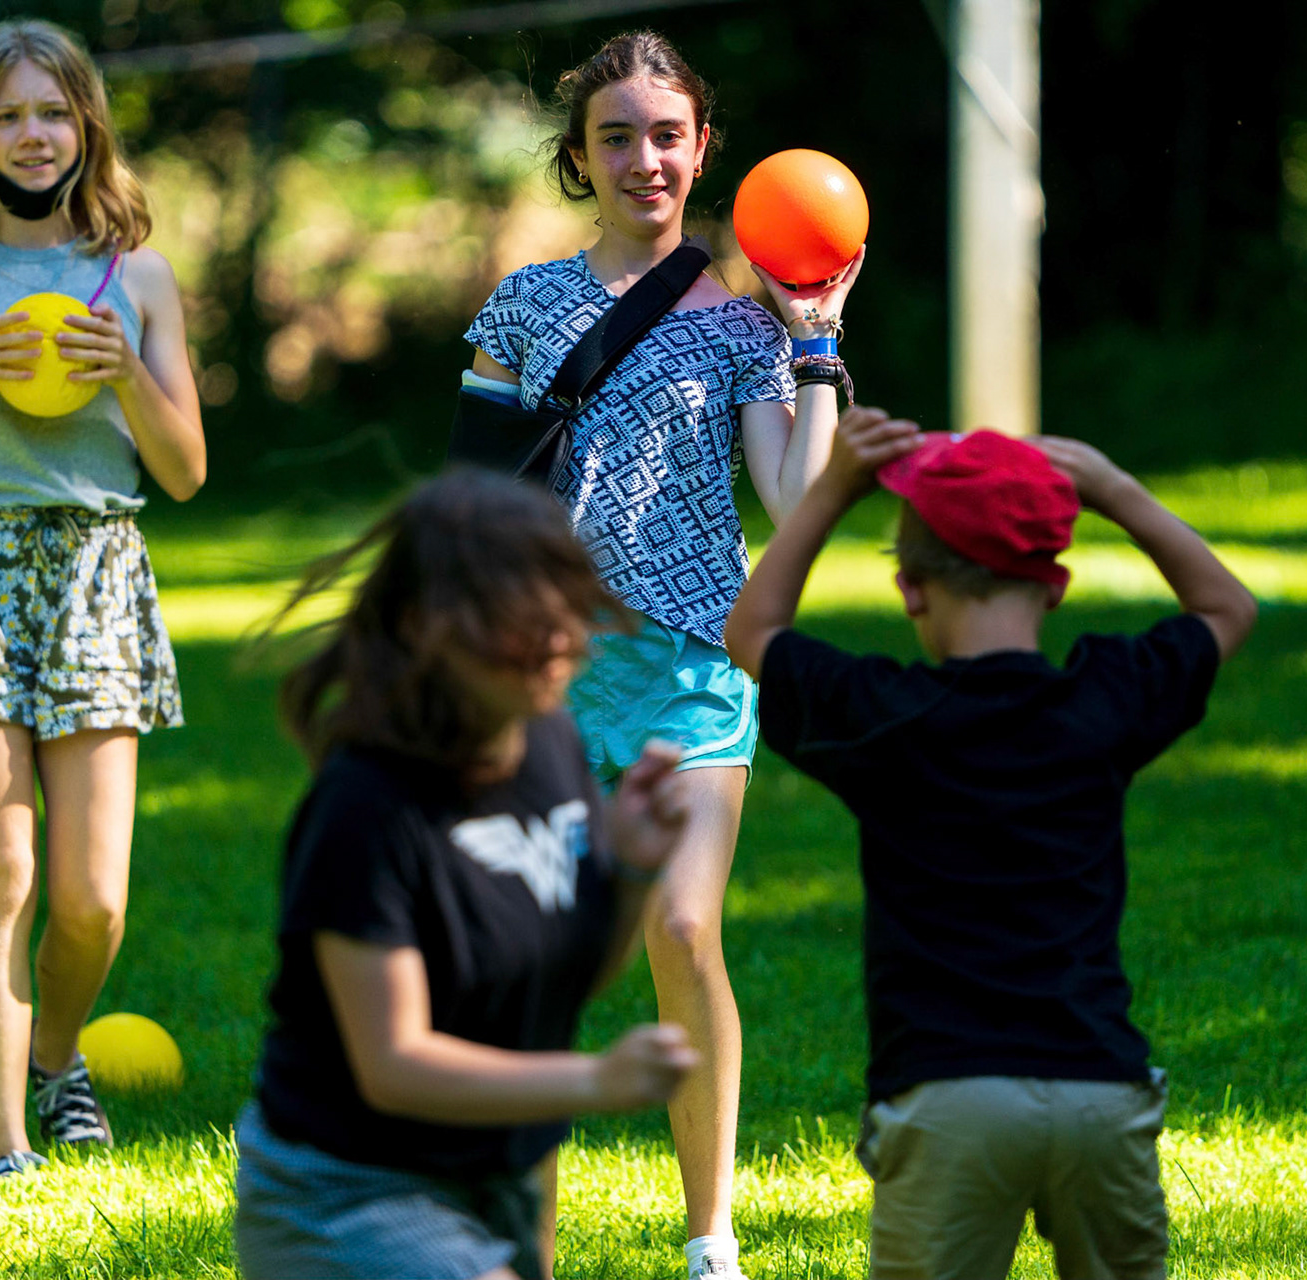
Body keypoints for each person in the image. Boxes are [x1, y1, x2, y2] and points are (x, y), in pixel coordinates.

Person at [462, 31, 862, 1278]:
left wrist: (815, 342)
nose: (645, 158)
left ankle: (711, 1237)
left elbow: (796, 502)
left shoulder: (750, 329)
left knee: (683, 933)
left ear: (703, 152)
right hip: (552, 667)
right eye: (617, 136)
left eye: (667, 134)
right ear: (579, 158)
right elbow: (471, 496)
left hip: (697, 664)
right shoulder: (526, 305)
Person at [723, 409, 1258, 1279]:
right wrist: (1113, 489)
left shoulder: (886, 717)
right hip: (1097, 1086)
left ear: (909, 589)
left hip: (946, 1096)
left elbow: (753, 633)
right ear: (1053, 586)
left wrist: (830, 492)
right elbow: (1226, 606)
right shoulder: (1103, 701)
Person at [0, 19, 205, 1180]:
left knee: (92, 900)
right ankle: (8, 1141)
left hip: (99, 576)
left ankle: (57, 1053)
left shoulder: (139, 277)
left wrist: (128, 375)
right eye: (8, 114)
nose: (31, 134)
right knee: (1, 870)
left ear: (86, 128)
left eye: (52, 112)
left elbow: (187, 469)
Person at [234, 470, 698, 1280]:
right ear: (425, 627)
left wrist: (627, 870)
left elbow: (566, 977)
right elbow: (394, 1062)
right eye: (516, 612)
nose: (557, 636)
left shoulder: (549, 744)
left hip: (502, 1174)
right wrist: (597, 1079)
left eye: (562, 599)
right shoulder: (366, 807)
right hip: (344, 1191)